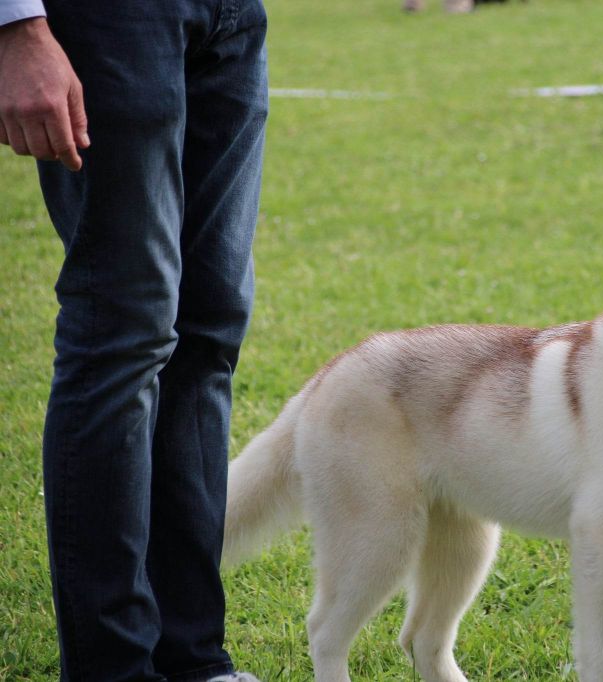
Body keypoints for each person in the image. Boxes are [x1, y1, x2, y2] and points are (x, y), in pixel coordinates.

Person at [0, 0, 268, 679]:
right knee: (123, 329)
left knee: (207, 330)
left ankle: (193, 657)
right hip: (108, 18)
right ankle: (113, 669)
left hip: (231, 16)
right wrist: (15, 24)